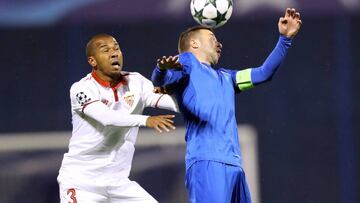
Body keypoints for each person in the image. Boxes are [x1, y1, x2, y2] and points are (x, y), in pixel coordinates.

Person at [151, 8, 302, 203]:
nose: (219, 43)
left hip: (235, 165)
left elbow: (264, 73)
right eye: (212, 38)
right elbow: (161, 81)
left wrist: (285, 39)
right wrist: (161, 70)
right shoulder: (186, 63)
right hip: (207, 161)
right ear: (194, 43)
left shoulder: (227, 77)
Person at [57, 33, 179, 203]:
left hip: (118, 183)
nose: (114, 53)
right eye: (105, 50)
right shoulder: (81, 89)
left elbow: (173, 104)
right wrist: (146, 120)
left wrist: (191, 92)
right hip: (82, 183)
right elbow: (107, 118)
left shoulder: (136, 82)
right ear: (93, 61)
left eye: (116, 48)